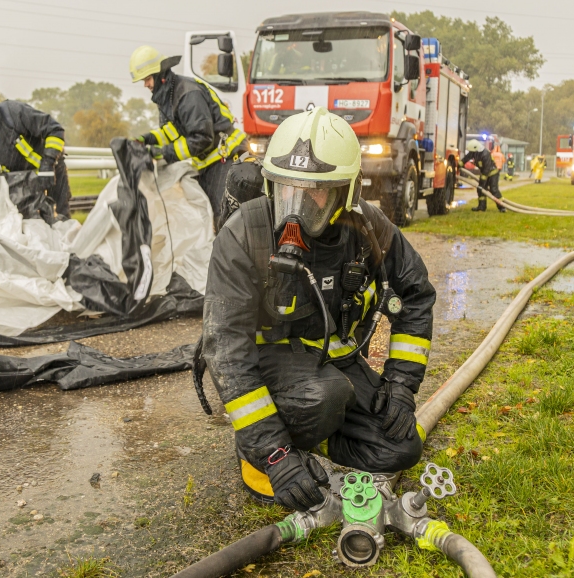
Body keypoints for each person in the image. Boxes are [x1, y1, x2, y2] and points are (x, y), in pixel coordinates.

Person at [200, 107, 436, 511]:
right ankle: (260, 452)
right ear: (271, 185)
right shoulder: (244, 234)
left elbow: (415, 292)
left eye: (314, 192)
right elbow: (226, 352)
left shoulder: (368, 228)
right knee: (323, 395)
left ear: (347, 192)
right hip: (272, 362)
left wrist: (401, 385)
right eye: (287, 189)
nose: (297, 206)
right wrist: (275, 455)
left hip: (335, 363)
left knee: (402, 446)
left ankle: (319, 441)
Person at [129, 45, 252, 232]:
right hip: (210, 162)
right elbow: (171, 132)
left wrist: (162, 153)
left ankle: (230, 258)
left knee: (224, 219)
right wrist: (147, 139)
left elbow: (201, 138)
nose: (146, 84)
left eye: (147, 79)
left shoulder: (188, 93)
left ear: (160, 75)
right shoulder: (168, 96)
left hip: (226, 158)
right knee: (209, 218)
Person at [463, 138, 506, 212]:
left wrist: (482, 183)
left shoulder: (485, 154)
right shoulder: (474, 152)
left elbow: (486, 170)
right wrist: (459, 164)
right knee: (480, 190)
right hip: (484, 173)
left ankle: (502, 207)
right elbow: (466, 158)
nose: (470, 152)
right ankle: (481, 207)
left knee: (493, 190)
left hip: (492, 174)